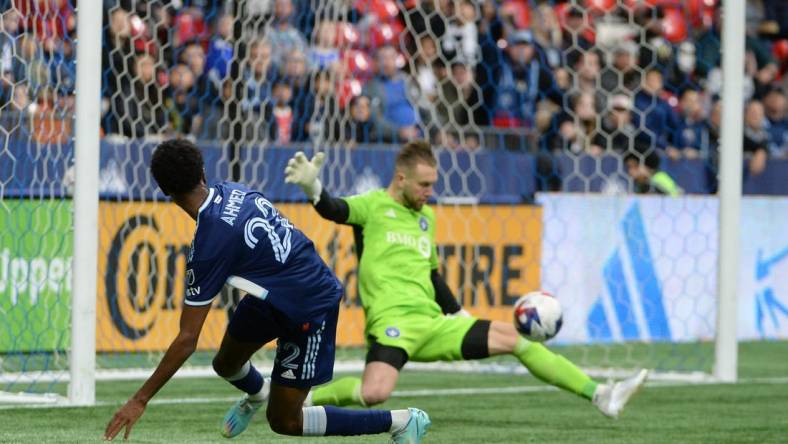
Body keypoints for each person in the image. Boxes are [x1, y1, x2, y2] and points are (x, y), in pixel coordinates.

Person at [282, 140, 648, 415]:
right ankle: (305, 396)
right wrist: (314, 189)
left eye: (433, 184)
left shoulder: (427, 218)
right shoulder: (373, 205)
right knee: (375, 393)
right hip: (392, 322)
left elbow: (432, 273)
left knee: (516, 338)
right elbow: (335, 209)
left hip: (435, 323)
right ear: (401, 178)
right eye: (424, 185)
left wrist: (458, 315)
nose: (430, 192)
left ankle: (600, 395)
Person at [102, 139, 430, 443]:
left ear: (163, 190)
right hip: (275, 293)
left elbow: (188, 339)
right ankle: (257, 394)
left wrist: (139, 400)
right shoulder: (230, 190)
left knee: (285, 421)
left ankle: (399, 421)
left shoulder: (210, 244)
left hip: (309, 307)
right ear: (203, 172)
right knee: (225, 364)